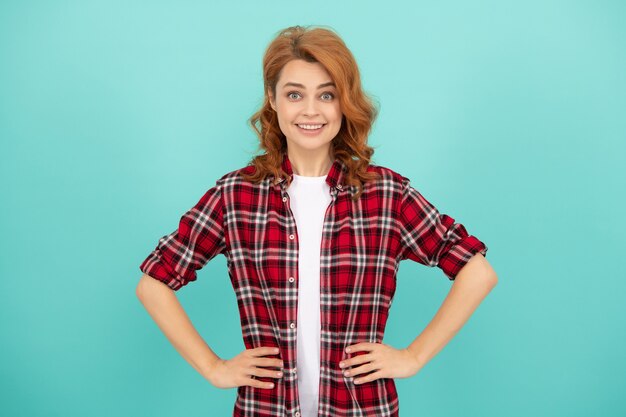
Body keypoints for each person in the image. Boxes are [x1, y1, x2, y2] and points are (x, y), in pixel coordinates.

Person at [136, 25, 498, 417]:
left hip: (362, 409)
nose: (311, 110)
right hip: (265, 408)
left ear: (344, 103)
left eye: (327, 94)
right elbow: (154, 282)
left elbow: (477, 272)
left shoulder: (387, 195)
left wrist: (412, 356)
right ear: (272, 100)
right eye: (295, 94)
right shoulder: (235, 195)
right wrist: (213, 368)